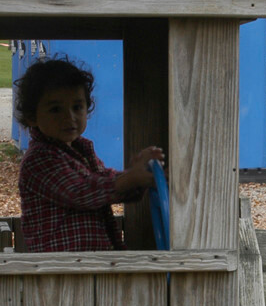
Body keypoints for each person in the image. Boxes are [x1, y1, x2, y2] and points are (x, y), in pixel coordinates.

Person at [17, 58, 164, 252]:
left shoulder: (82, 152)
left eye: (77, 107)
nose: (69, 117)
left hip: (90, 262)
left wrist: (142, 178)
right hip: (60, 265)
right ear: (31, 117)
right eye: (55, 109)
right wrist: (129, 179)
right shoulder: (39, 160)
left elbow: (104, 183)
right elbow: (80, 192)